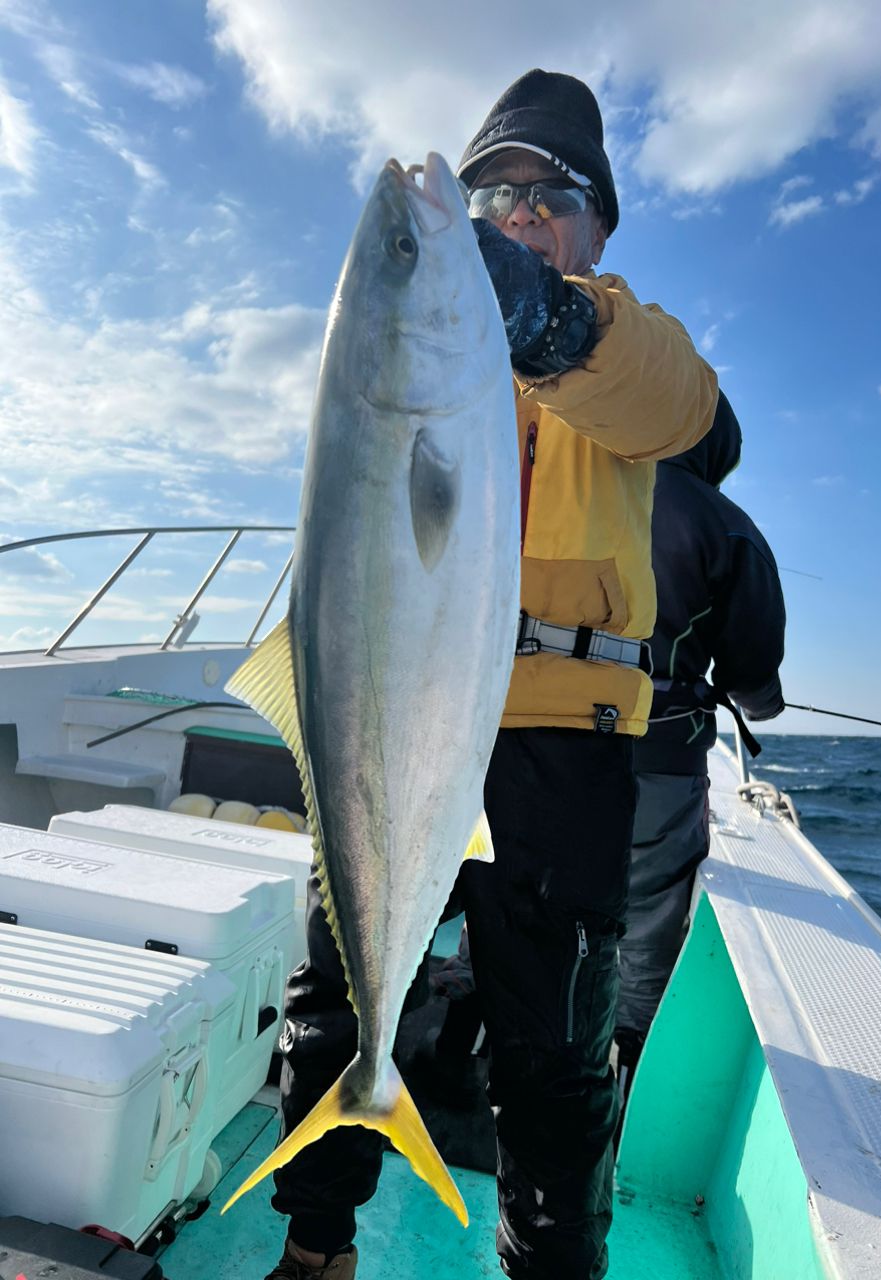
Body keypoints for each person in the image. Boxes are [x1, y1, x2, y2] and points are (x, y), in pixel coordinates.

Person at [265, 68, 718, 1280]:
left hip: (563, 742)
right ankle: (317, 1247)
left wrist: (554, 322)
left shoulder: (626, 345)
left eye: (548, 193)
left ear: (597, 224)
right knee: (333, 1001)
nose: (516, 215)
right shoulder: (421, 363)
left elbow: (696, 418)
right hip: (391, 721)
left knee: (553, 1059)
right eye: (492, 192)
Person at [614, 391, 786, 1110]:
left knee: (524, 887)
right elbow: (755, 688)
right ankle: (624, 1091)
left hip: (540, 741)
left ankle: (458, 1028)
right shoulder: (729, 528)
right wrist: (757, 698)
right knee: (647, 925)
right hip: (659, 760)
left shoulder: (589, 486)